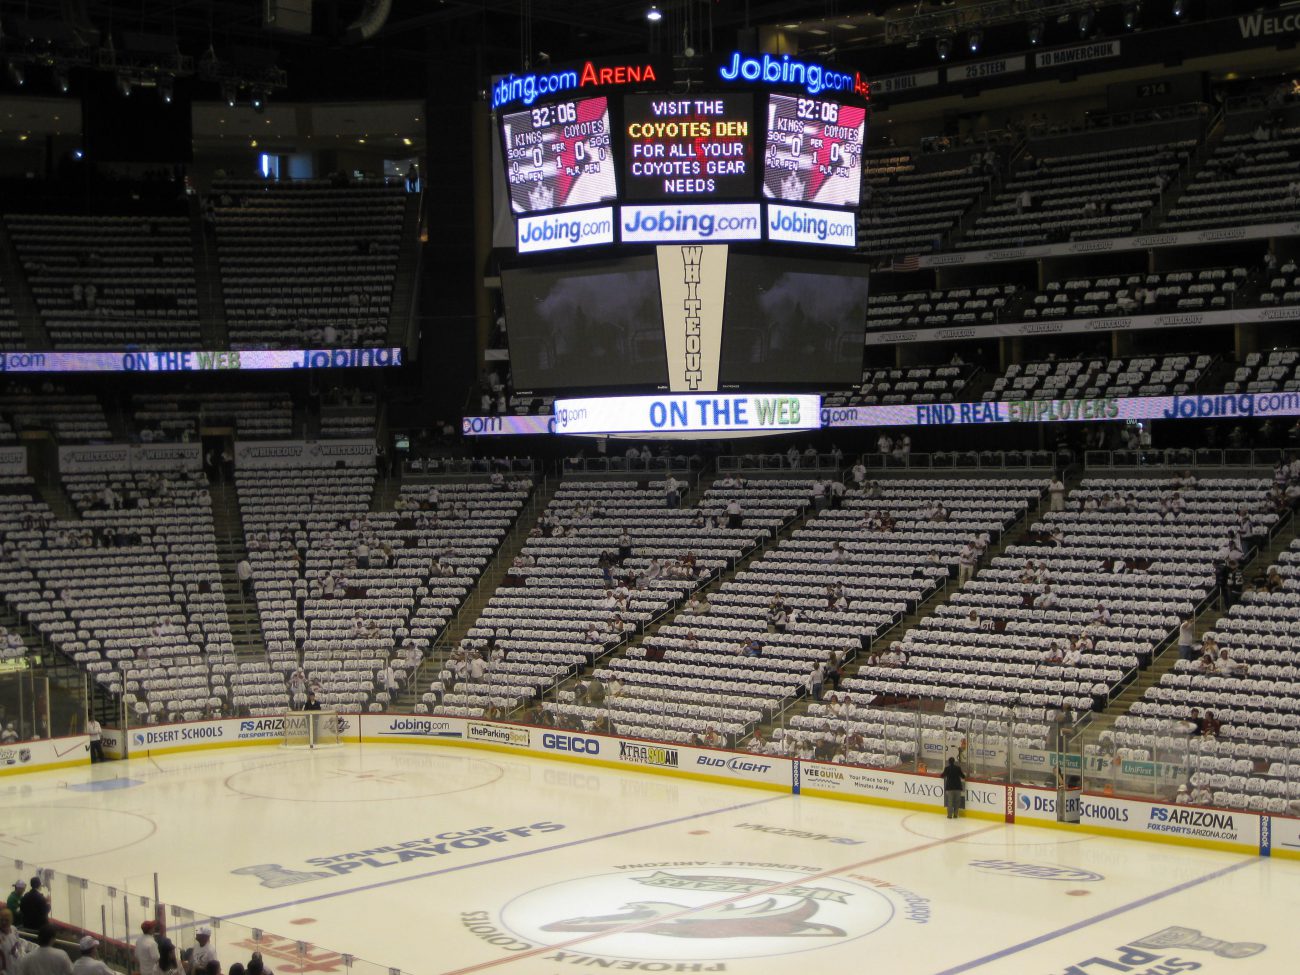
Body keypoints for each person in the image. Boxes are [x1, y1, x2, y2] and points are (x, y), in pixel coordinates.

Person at [1, 908, 30, 974]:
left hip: (15, 967)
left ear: (11, 920)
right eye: (1, 920)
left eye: (6, 920)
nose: (3, 922)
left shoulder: (14, 929)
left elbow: (18, 945)